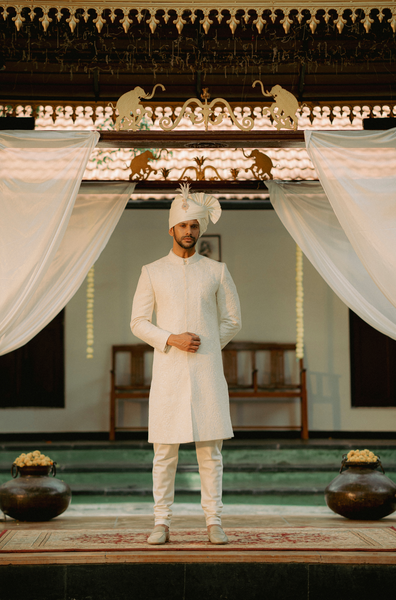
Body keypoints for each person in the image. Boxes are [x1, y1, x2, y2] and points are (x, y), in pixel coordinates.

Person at [130, 184, 241, 545]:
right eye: (183, 226)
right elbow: (138, 322)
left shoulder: (217, 270)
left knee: (210, 452)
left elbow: (233, 321)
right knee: (164, 453)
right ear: (171, 230)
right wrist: (171, 339)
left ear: (199, 229)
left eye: (194, 225)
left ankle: (214, 521)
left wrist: (206, 344)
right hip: (169, 373)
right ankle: (161, 522)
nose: (189, 231)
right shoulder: (152, 271)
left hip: (207, 372)